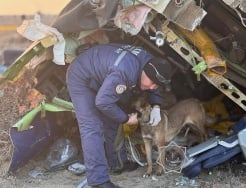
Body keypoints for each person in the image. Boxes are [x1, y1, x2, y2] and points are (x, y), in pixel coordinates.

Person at [66, 43, 172, 188]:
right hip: (81, 76)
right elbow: (103, 102)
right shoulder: (125, 72)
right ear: (145, 73)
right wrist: (126, 119)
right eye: (152, 83)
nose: (153, 87)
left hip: (102, 74)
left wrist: (156, 106)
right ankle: (99, 182)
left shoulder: (150, 62)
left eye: (157, 86)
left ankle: (117, 164)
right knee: (92, 127)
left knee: (112, 118)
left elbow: (154, 82)